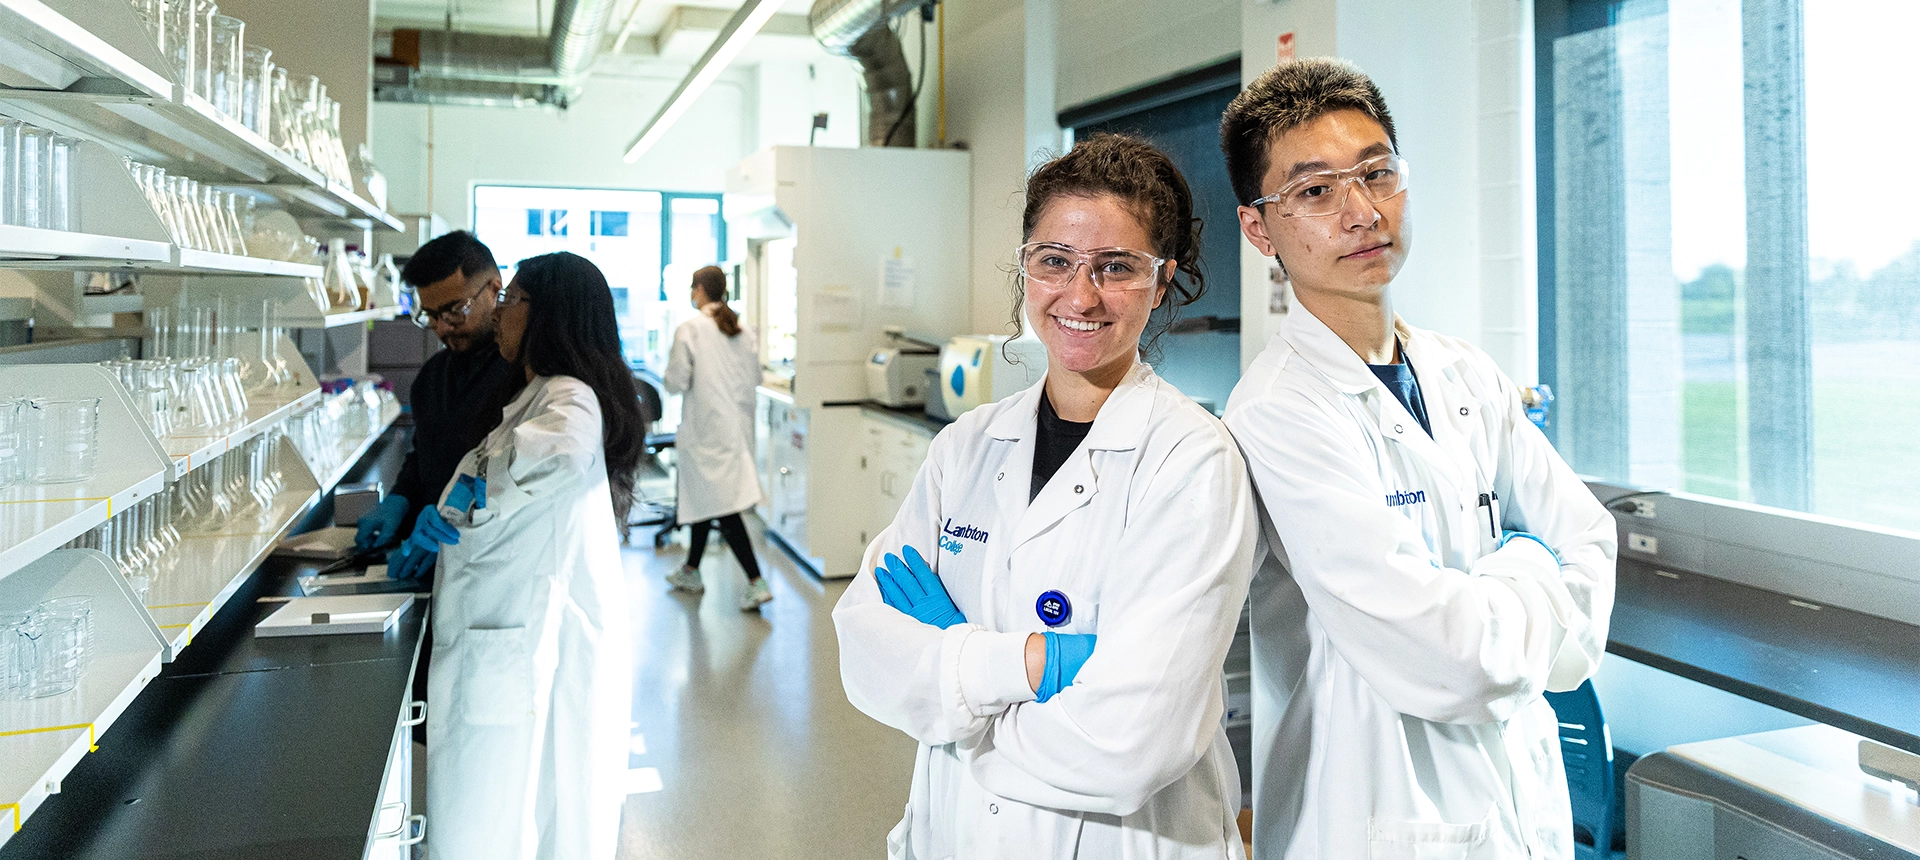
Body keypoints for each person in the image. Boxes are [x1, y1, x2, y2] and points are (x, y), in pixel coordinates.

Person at [1218, 58, 1617, 859]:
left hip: (1519, 803)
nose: (1363, 211)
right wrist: (1528, 569)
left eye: (1378, 172)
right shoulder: (1279, 412)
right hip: (1375, 811)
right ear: (1260, 228)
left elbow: (1594, 550)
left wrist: (1494, 611)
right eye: (1315, 191)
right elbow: (1451, 660)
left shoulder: (1465, 373)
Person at [834, 134, 1259, 859]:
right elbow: (866, 653)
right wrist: (1028, 663)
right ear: (1026, 267)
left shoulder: (1192, 462)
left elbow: (1129, 749)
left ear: (1163, 283)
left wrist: (952, 679)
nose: (1080, 294)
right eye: (1054, 261)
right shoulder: (966, 447)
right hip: (956, 833)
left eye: (1117, 267)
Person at [406, 251, 642, 860]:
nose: (502, 311)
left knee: (514, 812)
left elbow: (560, 454)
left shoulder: (568, 395)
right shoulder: (535, 392)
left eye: (510, 298)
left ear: (546, 312)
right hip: (508, 630)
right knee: (505, 812)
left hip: (526, 639)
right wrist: (455, 507)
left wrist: (478, 503)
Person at [354, 229, 518, 580]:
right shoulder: (432, 377)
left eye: (456, 311)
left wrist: (452, 521)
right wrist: (400, 497)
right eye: (429, 315)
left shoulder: (523, 374)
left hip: (490, 566)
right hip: (428, 565)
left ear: (493, 289)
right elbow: (425, 454)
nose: (442, 328)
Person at [661, 265, 771, 610]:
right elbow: (755, 377)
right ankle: (691, 570)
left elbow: (675, 382)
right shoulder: (742, 330)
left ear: (698, 290)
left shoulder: (690, 330)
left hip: (705, 432)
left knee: (722, 507)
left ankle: (756, 581)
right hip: (734, 431)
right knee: (706, 501)